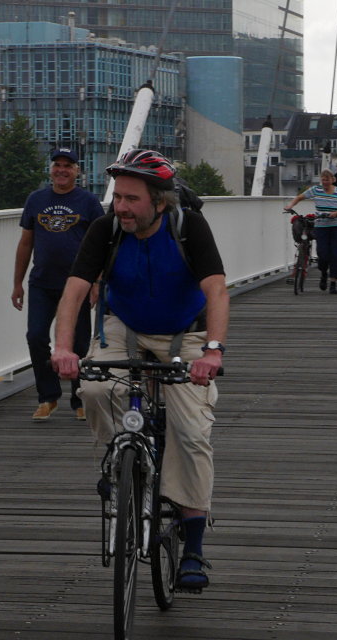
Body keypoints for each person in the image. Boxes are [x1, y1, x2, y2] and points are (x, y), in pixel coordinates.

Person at [51, 149, 229, 592]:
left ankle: (192, 548)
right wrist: (63, 348)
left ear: (160, 202)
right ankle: (121, 465)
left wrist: (212, 351)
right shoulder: (106, 229)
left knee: (191, 433)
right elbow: (74, 292)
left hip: (185, 334)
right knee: (93, 390)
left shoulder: (189, 227)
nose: (122, 207)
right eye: (118, 197)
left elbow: (217, 290)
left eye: (132, 199)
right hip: (124, 327)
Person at [12, 147, 104, 421]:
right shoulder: (36, 200)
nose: (62, 170)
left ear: (77, 170)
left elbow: (100, 245)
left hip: (77, 285)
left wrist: (97, 281)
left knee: (79, 343)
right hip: (41, 282)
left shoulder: (88, 202)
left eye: (68, 165)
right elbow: (26, 242)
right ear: (51, 169)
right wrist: (17, 283)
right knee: (36, 337)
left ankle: (80, 398)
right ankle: (48, 397)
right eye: (57, 165)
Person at [285, 169, 337, 294]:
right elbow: (300, 197)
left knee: (336, 254)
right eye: (323, 179)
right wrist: (290, 205)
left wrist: (336, 213)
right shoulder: (316, 190)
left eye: (327, 179)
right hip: (321, 226)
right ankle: (324, 273)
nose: (325, 182)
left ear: (332, 180)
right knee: (322, 253)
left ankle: (333, 283)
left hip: (336, 226)